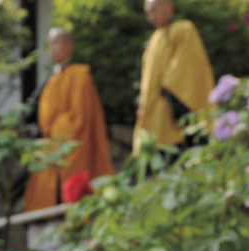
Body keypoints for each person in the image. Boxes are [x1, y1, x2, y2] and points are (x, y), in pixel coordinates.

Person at [23, 28, 115, 212]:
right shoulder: (51, 79)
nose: (53, 49)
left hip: (72, 143)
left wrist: (56, 129)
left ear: (70, 45)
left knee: (75, 191)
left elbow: (80, 117)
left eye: (57, 43)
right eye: (50, 44)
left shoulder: (80, 75)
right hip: (49, 144)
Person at [133, 0, 216, 155]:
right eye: (147, 12)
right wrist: (140, 101)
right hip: (152, 111)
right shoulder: (153, 39)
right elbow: (143, 77)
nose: (150, 17)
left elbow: (186, 69)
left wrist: (168, 96)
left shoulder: (183, 30)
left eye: (154, 11)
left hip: (172, 109)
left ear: (169, 8)